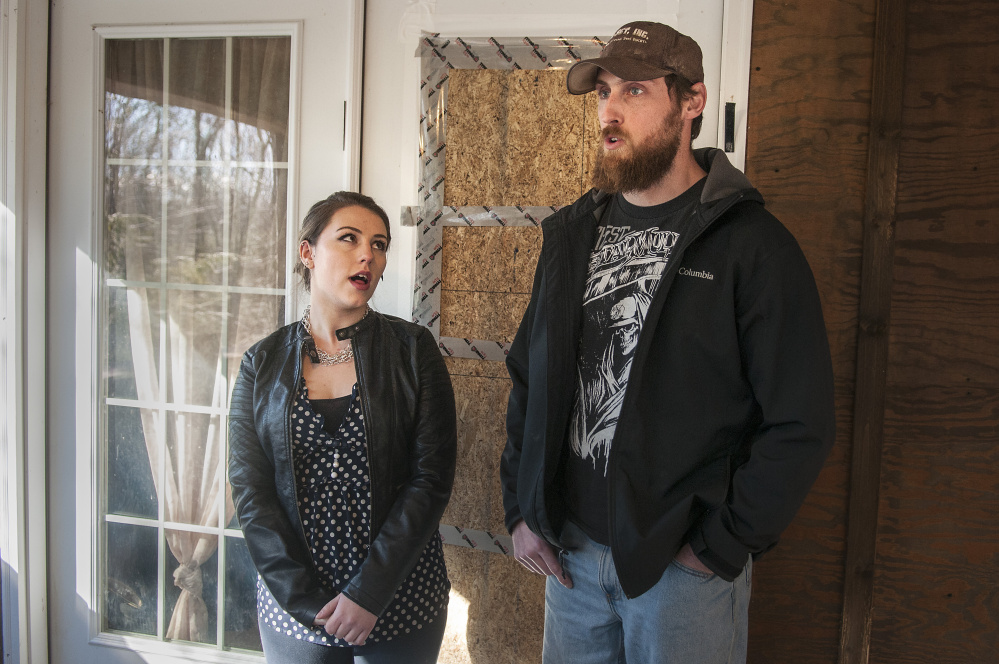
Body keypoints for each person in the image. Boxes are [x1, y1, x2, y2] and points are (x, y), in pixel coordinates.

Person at [501, 21, 835, 664]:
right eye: (602, 93)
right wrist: (522, 510)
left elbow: (801, 421)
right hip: (570, 563)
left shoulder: (752, 246)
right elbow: (528, 376)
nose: (610, 112)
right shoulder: (572, 235)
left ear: (692, 102)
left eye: (634, 90)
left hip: (680, 574)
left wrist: (717, 547)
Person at [229, 191, 457, 663]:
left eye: (379, 244)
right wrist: (302, 601)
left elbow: (431, 480)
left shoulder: (413, 350)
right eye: (349, 239)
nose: (367, 255)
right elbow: (250, 491)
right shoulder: (261, 363)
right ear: (308, 252)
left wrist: (368, 593)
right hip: (296, 609)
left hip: (401, 600)